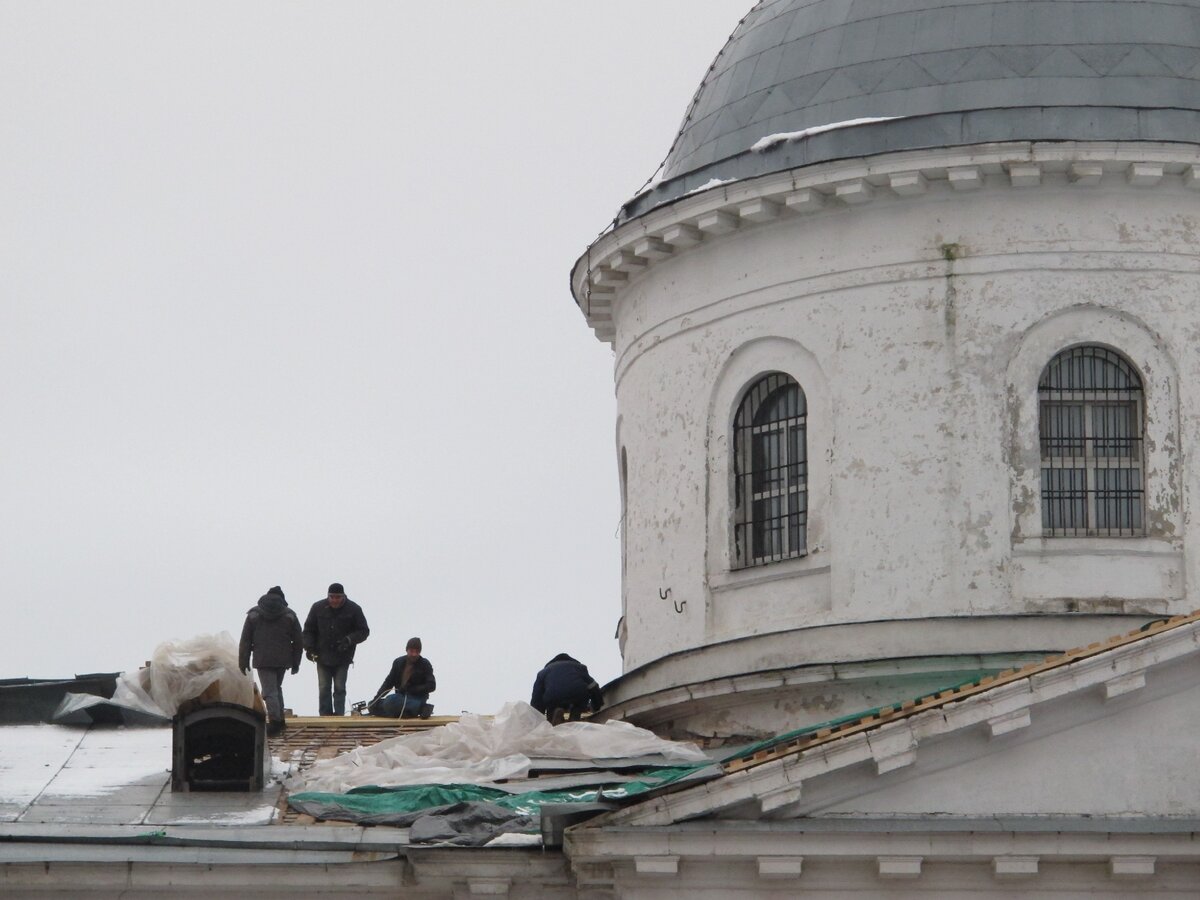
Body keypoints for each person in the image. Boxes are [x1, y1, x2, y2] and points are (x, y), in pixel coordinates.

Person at [238, 585, 303, 736]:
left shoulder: (253, 614)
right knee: (275, 688)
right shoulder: (290, 615)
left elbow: (246, 640)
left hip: (262, 658)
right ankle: (279, 720)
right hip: (283, 659)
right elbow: (298, 641)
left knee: (270, 691)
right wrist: (296, 662)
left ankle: (275, 721)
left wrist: (243, 661)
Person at [302, 582, 369, 716]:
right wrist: (309, 648)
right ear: (328, 596)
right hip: (322, 656)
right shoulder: (317, 608)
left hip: (343, 656)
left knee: (339, 688)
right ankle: (325, 716)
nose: (334, 600)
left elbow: (363, 631)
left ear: (343, 596)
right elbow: (309, 630)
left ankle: (339, 715)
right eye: (332, 597)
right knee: (324, 688)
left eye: (337, 597)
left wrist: (348, 640)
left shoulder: (354, 609)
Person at [370, 637, 436, 719]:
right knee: (372, 706)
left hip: (416, 698)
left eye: (417, 652)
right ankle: (406, 713)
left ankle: (421, 707)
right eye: (412, 651)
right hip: (400, 698)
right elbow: (388, 682)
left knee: (390, 701)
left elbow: (432, 686)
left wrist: (412, 689)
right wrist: (376, 698)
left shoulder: (425, 664)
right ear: (407, 650)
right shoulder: (398, 662)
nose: (414, 654)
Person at [530, 653, 604, 723]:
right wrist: (596, 706)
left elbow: (537, 697)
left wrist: (538, 716)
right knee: (578, 704)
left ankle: (554, 718)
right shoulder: (580, 668)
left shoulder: (543, 673)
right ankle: (574, 717)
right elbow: (593, 687)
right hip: (577, 694)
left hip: (554, 696)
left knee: (551, 708)